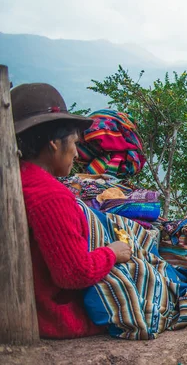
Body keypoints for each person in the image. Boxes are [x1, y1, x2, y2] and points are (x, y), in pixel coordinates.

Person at [11, 83, 132, 339]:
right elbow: (74, 274)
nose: (76, 153)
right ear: (54, 143)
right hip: (54, 315)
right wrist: (111, 253)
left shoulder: (17, 178)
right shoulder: (51, 196)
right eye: (74, 143)